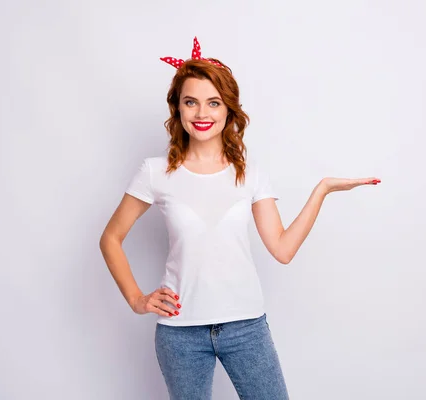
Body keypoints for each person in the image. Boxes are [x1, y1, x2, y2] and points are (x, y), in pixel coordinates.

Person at [99, 37, 380, 400]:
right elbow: (110, 238)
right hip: (180, 332)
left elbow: (282, 249)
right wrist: (137, 299)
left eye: (213, 102)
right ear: (178, 109)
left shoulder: (250, 174)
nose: (202, 113)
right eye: (191, 102)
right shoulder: (155, 173)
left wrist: (322, 190)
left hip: (246, 327)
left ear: (229, 110)